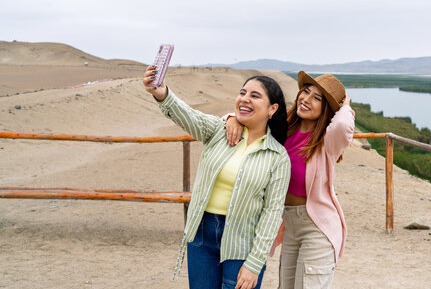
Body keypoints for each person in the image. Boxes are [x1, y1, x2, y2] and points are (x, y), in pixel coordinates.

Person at [143, 66, 291, 289]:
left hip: (243, 243)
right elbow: (188, 115)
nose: (245, 99)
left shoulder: (278, 157)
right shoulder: (218, 131)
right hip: (201, 236)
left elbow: (272, 213)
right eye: (242, 93)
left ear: (272, 109)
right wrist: (161, 93)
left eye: (255, 95)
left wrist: (255, 263)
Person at [226, 71, 354, 288]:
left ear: (327, 108)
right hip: (289, 224)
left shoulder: (327, 141)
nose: (306, 99)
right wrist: (231, 119)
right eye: (305, 92)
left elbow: (342, 126)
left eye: (317, 98)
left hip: (316, 226)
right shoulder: (283, 130)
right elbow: (253, 117)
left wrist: (345, 106)